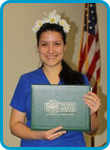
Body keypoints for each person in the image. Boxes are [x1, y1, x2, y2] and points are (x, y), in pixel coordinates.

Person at [10, 10, 101, 147]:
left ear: (64, 47)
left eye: (57, 44)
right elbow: (15, 125)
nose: (51, 50)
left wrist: (90, 114)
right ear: (38, 47)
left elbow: (92, 130)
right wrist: (40, 135)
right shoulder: (26, 81)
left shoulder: (79, 80)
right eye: (44, 44)